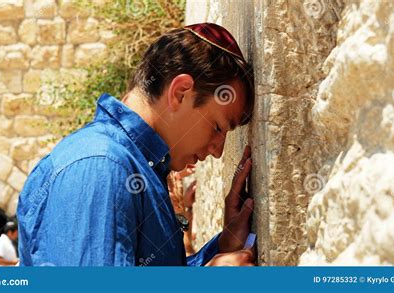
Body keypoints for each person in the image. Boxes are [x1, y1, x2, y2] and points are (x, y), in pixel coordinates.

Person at [18, 22, 255, 266]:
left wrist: (222, 246)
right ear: (181, 92)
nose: (218, 151)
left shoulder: (130, 165)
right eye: (217, 127)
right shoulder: (101, 166)